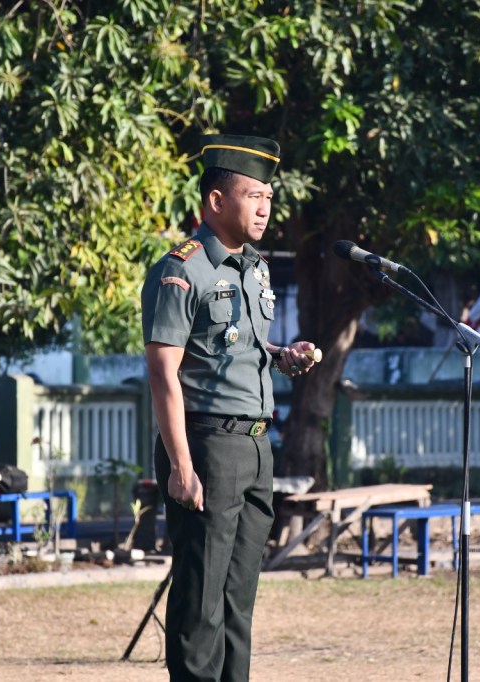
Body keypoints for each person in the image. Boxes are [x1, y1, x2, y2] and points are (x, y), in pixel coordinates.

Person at [141, 134, 318, 681]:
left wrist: (281, 357)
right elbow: (163, 372)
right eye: (253, 195)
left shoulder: (256, 268)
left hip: (258, 446)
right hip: (208, 447)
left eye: (269, 196)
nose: (266, 207)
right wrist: (181, 466)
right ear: (217, 201)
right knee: (201, 601)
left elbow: (236, 347)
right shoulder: (180, 270)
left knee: (239, 602)